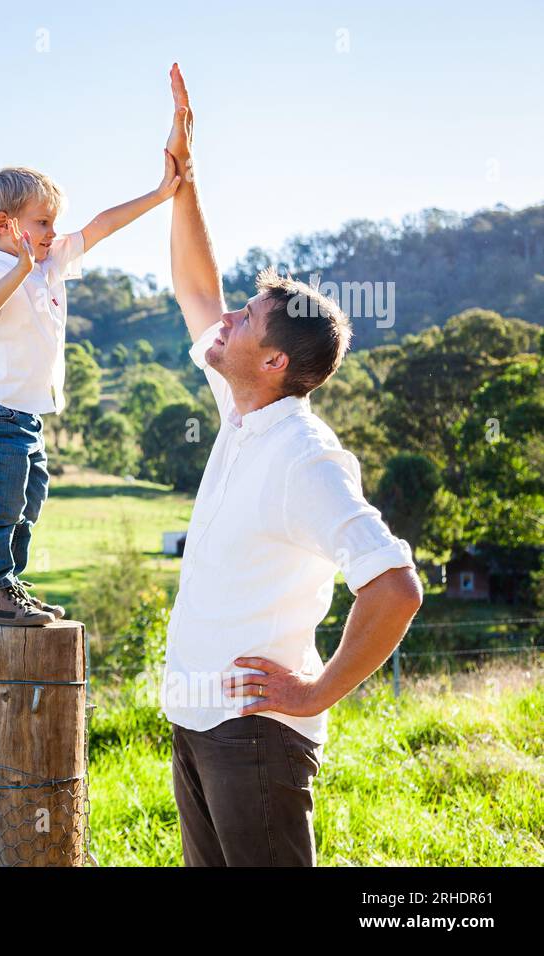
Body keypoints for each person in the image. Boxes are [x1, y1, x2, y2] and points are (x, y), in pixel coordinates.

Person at [161, 63, 423, 866]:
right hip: (198, 725)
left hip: (256, 742)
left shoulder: (306, 458)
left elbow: (395, 586)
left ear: (274, 362)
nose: (230, 317)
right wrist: (183, 176)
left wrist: (316, 692)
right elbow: (196, 286)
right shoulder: (242, 416)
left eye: (249, 317)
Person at [0, 161, 180, 625]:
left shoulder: (50, 262)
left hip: (25, 414)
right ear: (6, 224)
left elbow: (100, 226)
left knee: (29, 499)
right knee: (4, 502)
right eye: (43, 222)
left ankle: (7, 585)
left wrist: (160, 194)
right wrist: (21, 267)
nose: (52, 232)